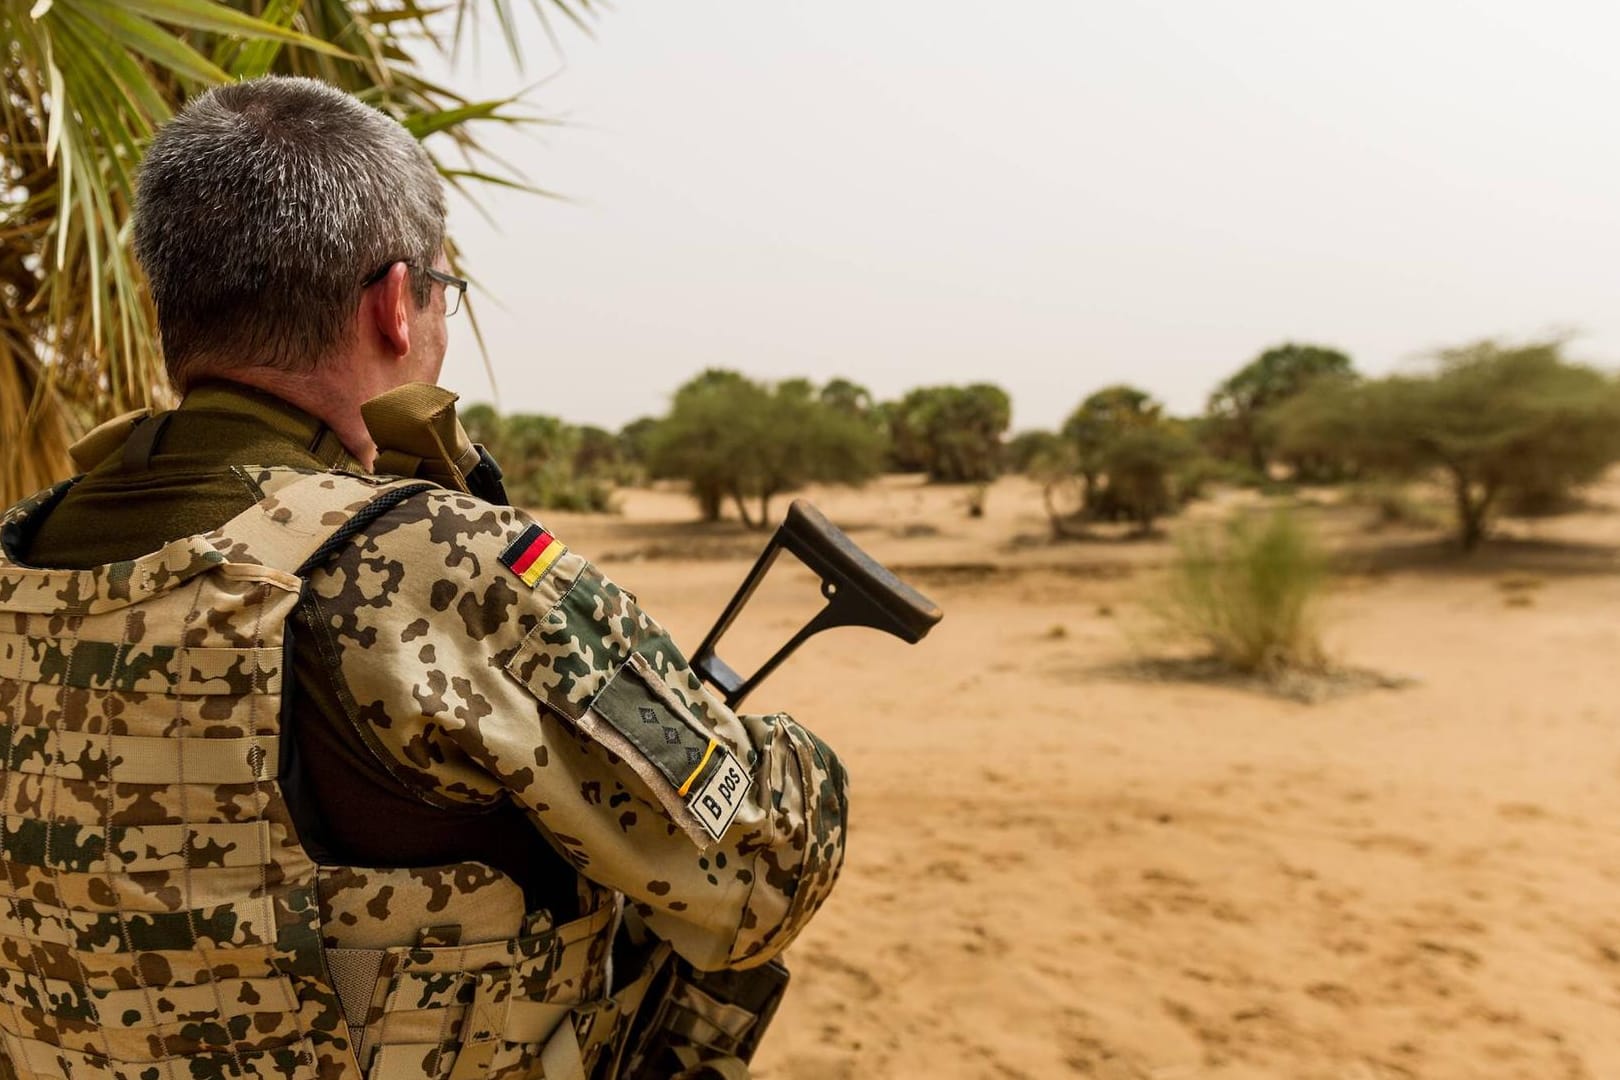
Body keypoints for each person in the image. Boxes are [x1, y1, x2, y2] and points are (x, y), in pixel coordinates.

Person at [0, 76, 846, 1080]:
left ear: (169, 311)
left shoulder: (22, 549)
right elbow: (762, 873)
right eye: (443, 293)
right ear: (397, 306)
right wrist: (787, 757)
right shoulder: (432, 566)